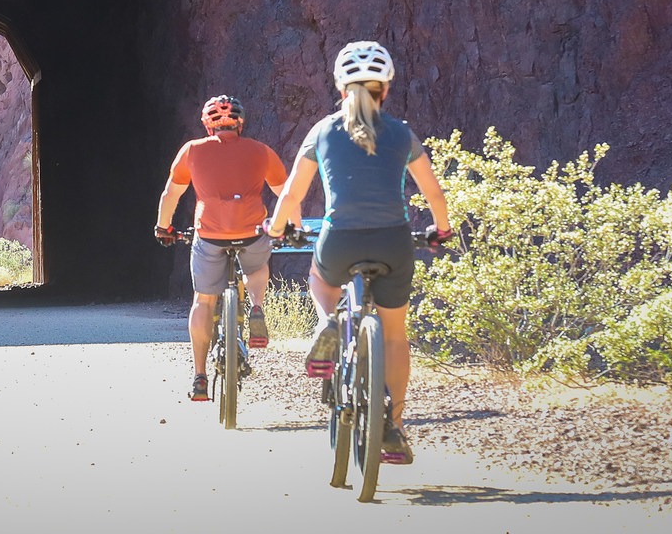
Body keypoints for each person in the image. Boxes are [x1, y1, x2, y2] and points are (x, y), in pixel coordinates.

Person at [266, 40, 452, 465]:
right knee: (394, 334)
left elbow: (294, 192)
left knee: (319, 278)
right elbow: (433, 192)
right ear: (385, 89)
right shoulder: (402, 133)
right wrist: (441, 230)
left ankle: (326, 322)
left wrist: (277, 229)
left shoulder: (323, 131)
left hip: (340, 237)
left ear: (340, 87)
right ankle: (396, 427)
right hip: (394, 239)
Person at [154, 95, 289, 402]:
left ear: (207, 123)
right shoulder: (261, 152)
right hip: (251, 231)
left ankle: (200, 377)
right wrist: (287, 227)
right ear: (240, 123)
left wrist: (164, 228)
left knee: (202, 300)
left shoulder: (192, 151)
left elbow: (170, 196)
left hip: (210, 235)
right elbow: (286, 194)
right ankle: (256, 307)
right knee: (256, 266)